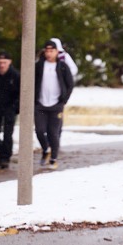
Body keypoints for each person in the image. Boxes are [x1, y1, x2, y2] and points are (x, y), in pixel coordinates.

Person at [34, 39, 75, 169]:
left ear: (57, 52)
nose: (49, 53)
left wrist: (63, 100)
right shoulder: (39, 65)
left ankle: (53, 158)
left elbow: (70, 84)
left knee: (53, 132)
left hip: (56, 104)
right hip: (40, 103)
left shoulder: (63, 66)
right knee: (39, 130)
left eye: (52, 51)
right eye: (47, 51)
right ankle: (46, 149)